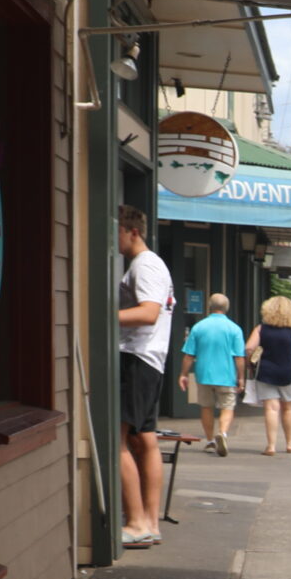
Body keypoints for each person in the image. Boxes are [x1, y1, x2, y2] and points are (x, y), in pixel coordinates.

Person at [115, 205, 173, 548]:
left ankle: (136, 523)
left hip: (137, 358)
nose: (115, 240)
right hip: (150, 359)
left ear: (132, 231)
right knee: (145, 438)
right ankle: (150, 522)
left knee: (118, 441)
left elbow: (149, 313)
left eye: (118, 232)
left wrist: (102, 312)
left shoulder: (145, 264)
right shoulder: (151, 265)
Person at [245, 295, 291, 454]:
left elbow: (248, 348)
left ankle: (271, 446)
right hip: (288, 373)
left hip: (266, 372)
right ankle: (290, 444)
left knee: (271, 408)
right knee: (287, 408)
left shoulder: (261, 329)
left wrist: (250, 363)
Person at [179, 292, 247, 456]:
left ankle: (209, 440)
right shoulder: (234, 329)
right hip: (226, 375)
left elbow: (189, 355)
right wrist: (241, 378)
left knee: (206, 407)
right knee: (227, 407)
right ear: (227, 308)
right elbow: (239, 357)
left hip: (204, 375)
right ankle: (222, 433)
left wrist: (183, 374)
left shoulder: (199, 327)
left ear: (210, 306)